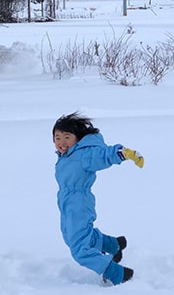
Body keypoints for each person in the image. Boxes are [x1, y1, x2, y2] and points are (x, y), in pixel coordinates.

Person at [53, 112, 144, 285]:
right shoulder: (68, 155)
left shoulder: (83, 155)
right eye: (57, 137)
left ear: (77, 139)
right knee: (72, 236)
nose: (61, 142)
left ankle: (118, 274)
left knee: (79, 249)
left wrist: (123, 153)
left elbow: (102, 155)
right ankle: (113, 245)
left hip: (79, 203)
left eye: (67, 137)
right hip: (66, 202)